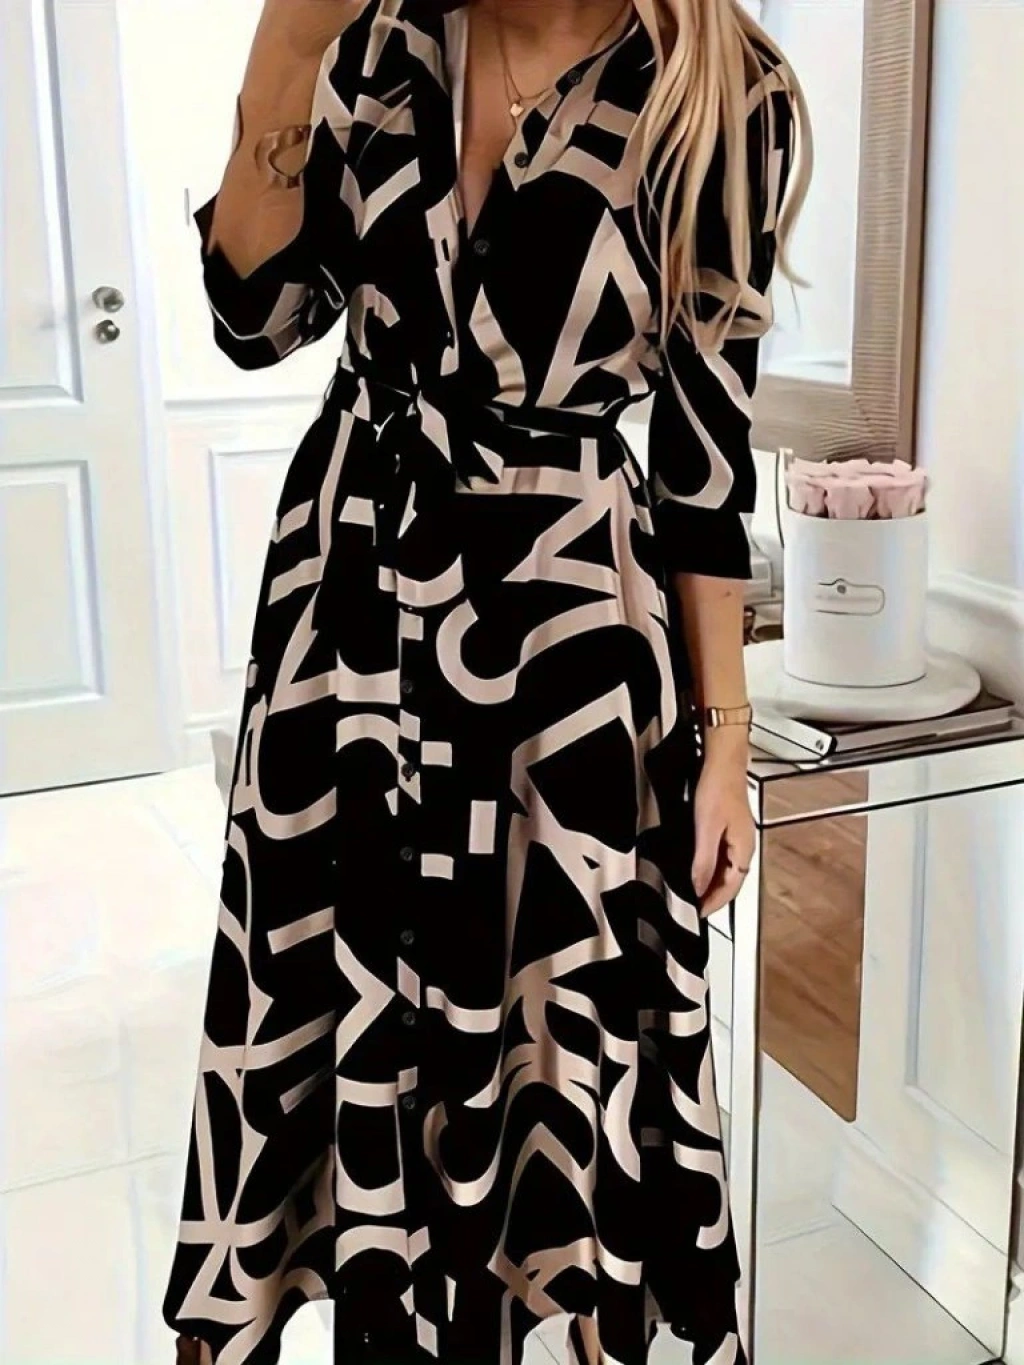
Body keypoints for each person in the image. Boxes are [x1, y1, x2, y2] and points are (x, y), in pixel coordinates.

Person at [165, 1, 809, 1362]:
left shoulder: (719, 90)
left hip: (566, 648)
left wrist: (724, 741)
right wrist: (284, 55)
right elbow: (256, 318)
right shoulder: (376, 39)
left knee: (557, 1044)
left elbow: (703, 470)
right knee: (329, 1001)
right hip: (349, 617)